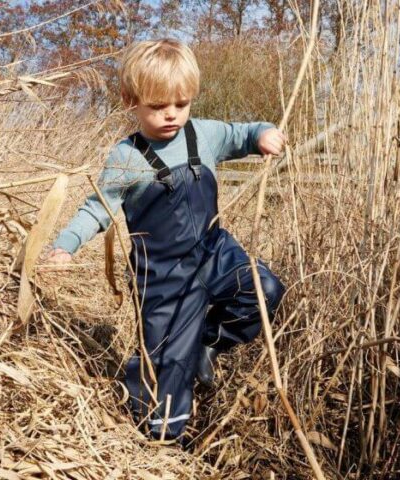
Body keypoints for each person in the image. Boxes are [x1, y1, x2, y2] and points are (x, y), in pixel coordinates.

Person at [45, 38, 287, 445]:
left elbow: (247, 133)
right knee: (166, 376)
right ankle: (161, 441)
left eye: (181, 103)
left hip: (214, 253)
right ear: (130, 100)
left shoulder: (205, 135)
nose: (172, 114)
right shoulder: (126, 157)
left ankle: (205, 344)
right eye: (158, 106)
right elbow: (97, 208)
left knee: (263, 291)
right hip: (162, 279)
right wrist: (64, 246)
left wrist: (265, 135)